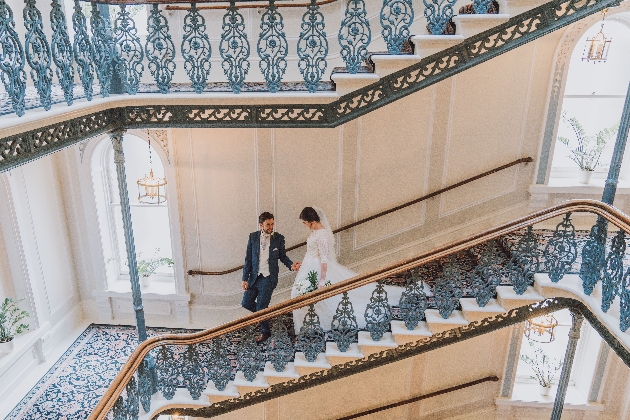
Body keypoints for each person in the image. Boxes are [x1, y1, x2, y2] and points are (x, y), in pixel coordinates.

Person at [291, 206, 379, 332]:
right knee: (300, 294)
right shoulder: (315, 231)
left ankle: (318, 323)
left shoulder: (321, 234)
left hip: (317, 268)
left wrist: (322, 279)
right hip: (309, 265)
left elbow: (324, 258)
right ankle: (312, 322)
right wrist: (302, 264)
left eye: (305, 222)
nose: (304, 225)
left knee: (304, 294)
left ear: (311, 221)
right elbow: (312, 252)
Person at [242, 212, 299, 343]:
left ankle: (265, 332)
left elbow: (283, 256)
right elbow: (248, 260)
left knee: (261, 308)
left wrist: (291, 266)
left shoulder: (279, 238)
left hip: (268, 278)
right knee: (246, 303)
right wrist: (245, 278)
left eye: (272, 224)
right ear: (261, 225)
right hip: (254, 277)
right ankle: (265, 317)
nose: (271, 227)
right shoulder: (253, 237)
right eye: (268, 224)